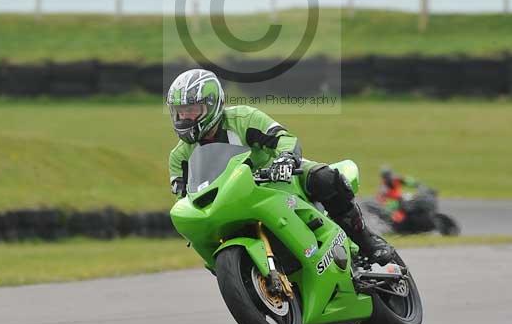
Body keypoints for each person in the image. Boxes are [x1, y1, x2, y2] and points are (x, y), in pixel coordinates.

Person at [167, 67, 394, 265]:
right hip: (231, 202)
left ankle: (367, 241)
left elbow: (284, 138)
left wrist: (285, 158)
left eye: (192, 110)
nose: (185, 118)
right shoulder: (179, 157)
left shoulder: (243, 119)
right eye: (180, 112)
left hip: (277, 180)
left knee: (324, 177)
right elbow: (183, 199)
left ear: (212, 104)